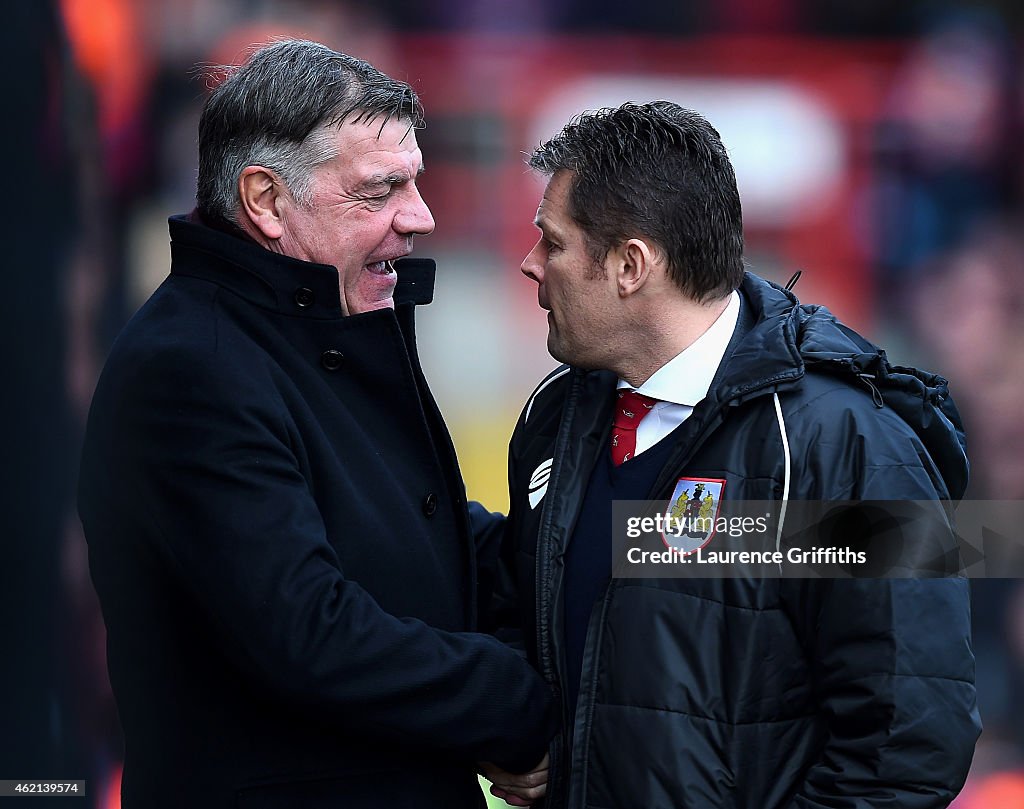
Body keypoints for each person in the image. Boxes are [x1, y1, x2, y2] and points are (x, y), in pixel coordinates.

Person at [77, 39, 555, 809]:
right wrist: (517, 706)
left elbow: (414, 543)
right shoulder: (191, 369)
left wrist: (602, 551)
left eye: (416, 183)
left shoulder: (315, 329)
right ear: (265, 200)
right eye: (379, 190)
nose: (420, 217)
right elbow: (310, 631)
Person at [484, 102, 980, 808]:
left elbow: (907, 746)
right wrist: (523, 732)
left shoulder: (848, 447)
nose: (531, 265)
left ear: (631, 265)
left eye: (552, 242)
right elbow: (530, 627)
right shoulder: (555, 416)